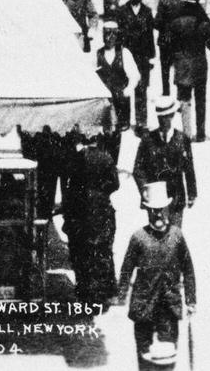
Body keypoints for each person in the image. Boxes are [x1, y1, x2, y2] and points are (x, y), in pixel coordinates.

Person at [119, 181, 196, 367]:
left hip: (169, 306)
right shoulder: (138, 237)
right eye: (153, 210)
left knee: (168, 357)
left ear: (168, 209)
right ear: (147, 212)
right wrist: (121, 293)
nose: (158, 214)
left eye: (162, 209)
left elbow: (188, 269)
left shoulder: (177, 236)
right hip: (143, 305)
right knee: (145, 358)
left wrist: (191, 300)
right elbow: (126, 268)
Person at [60, 131, 119, 310]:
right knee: (102, 251)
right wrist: (100, 192)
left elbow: (69, 186)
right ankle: (103, 295)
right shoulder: (106, 157)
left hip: (80, 213)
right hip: (101, 212)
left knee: (81, 253)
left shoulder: (77, 158)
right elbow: (115, 184)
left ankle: (85, 296)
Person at [133, 97, 197, 227]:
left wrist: (192, 193)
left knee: (174, 237)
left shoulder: (182, 139)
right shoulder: (148, 140)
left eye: (166, 117)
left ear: (172, 116)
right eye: (160, 117)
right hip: (155, 199)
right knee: (157, 236)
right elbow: (138, 169)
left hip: (176, 197)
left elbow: (189, 167)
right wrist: (145, 190)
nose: (163, 121)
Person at [169, 0, 210, 142]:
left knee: (184, 100)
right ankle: (201, 134)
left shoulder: (176, 22)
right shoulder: (204, 23)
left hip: (182, 65)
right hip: (199, 66)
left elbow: (169, 44)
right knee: (200, 100)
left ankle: (186, 133)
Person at [116, 0, 157, 135]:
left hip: (142, 57)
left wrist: (151, 56)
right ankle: (124, 120)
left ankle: (141, 122)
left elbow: (149, 36)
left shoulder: (147, 12)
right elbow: (119, 36)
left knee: (141, 90)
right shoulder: (121, 11)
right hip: (127, 56)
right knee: (125, 88)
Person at [96, 18, 141, 160]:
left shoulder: (124, 53)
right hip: (104, 100)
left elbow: (135, 75)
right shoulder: (97, 54)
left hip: (120, 98)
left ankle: (115, 162)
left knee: (119, 131)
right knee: (104, 131)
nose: (109, 38)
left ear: (117, 35)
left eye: (113, 34)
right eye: (106, 34)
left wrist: (128, 89)